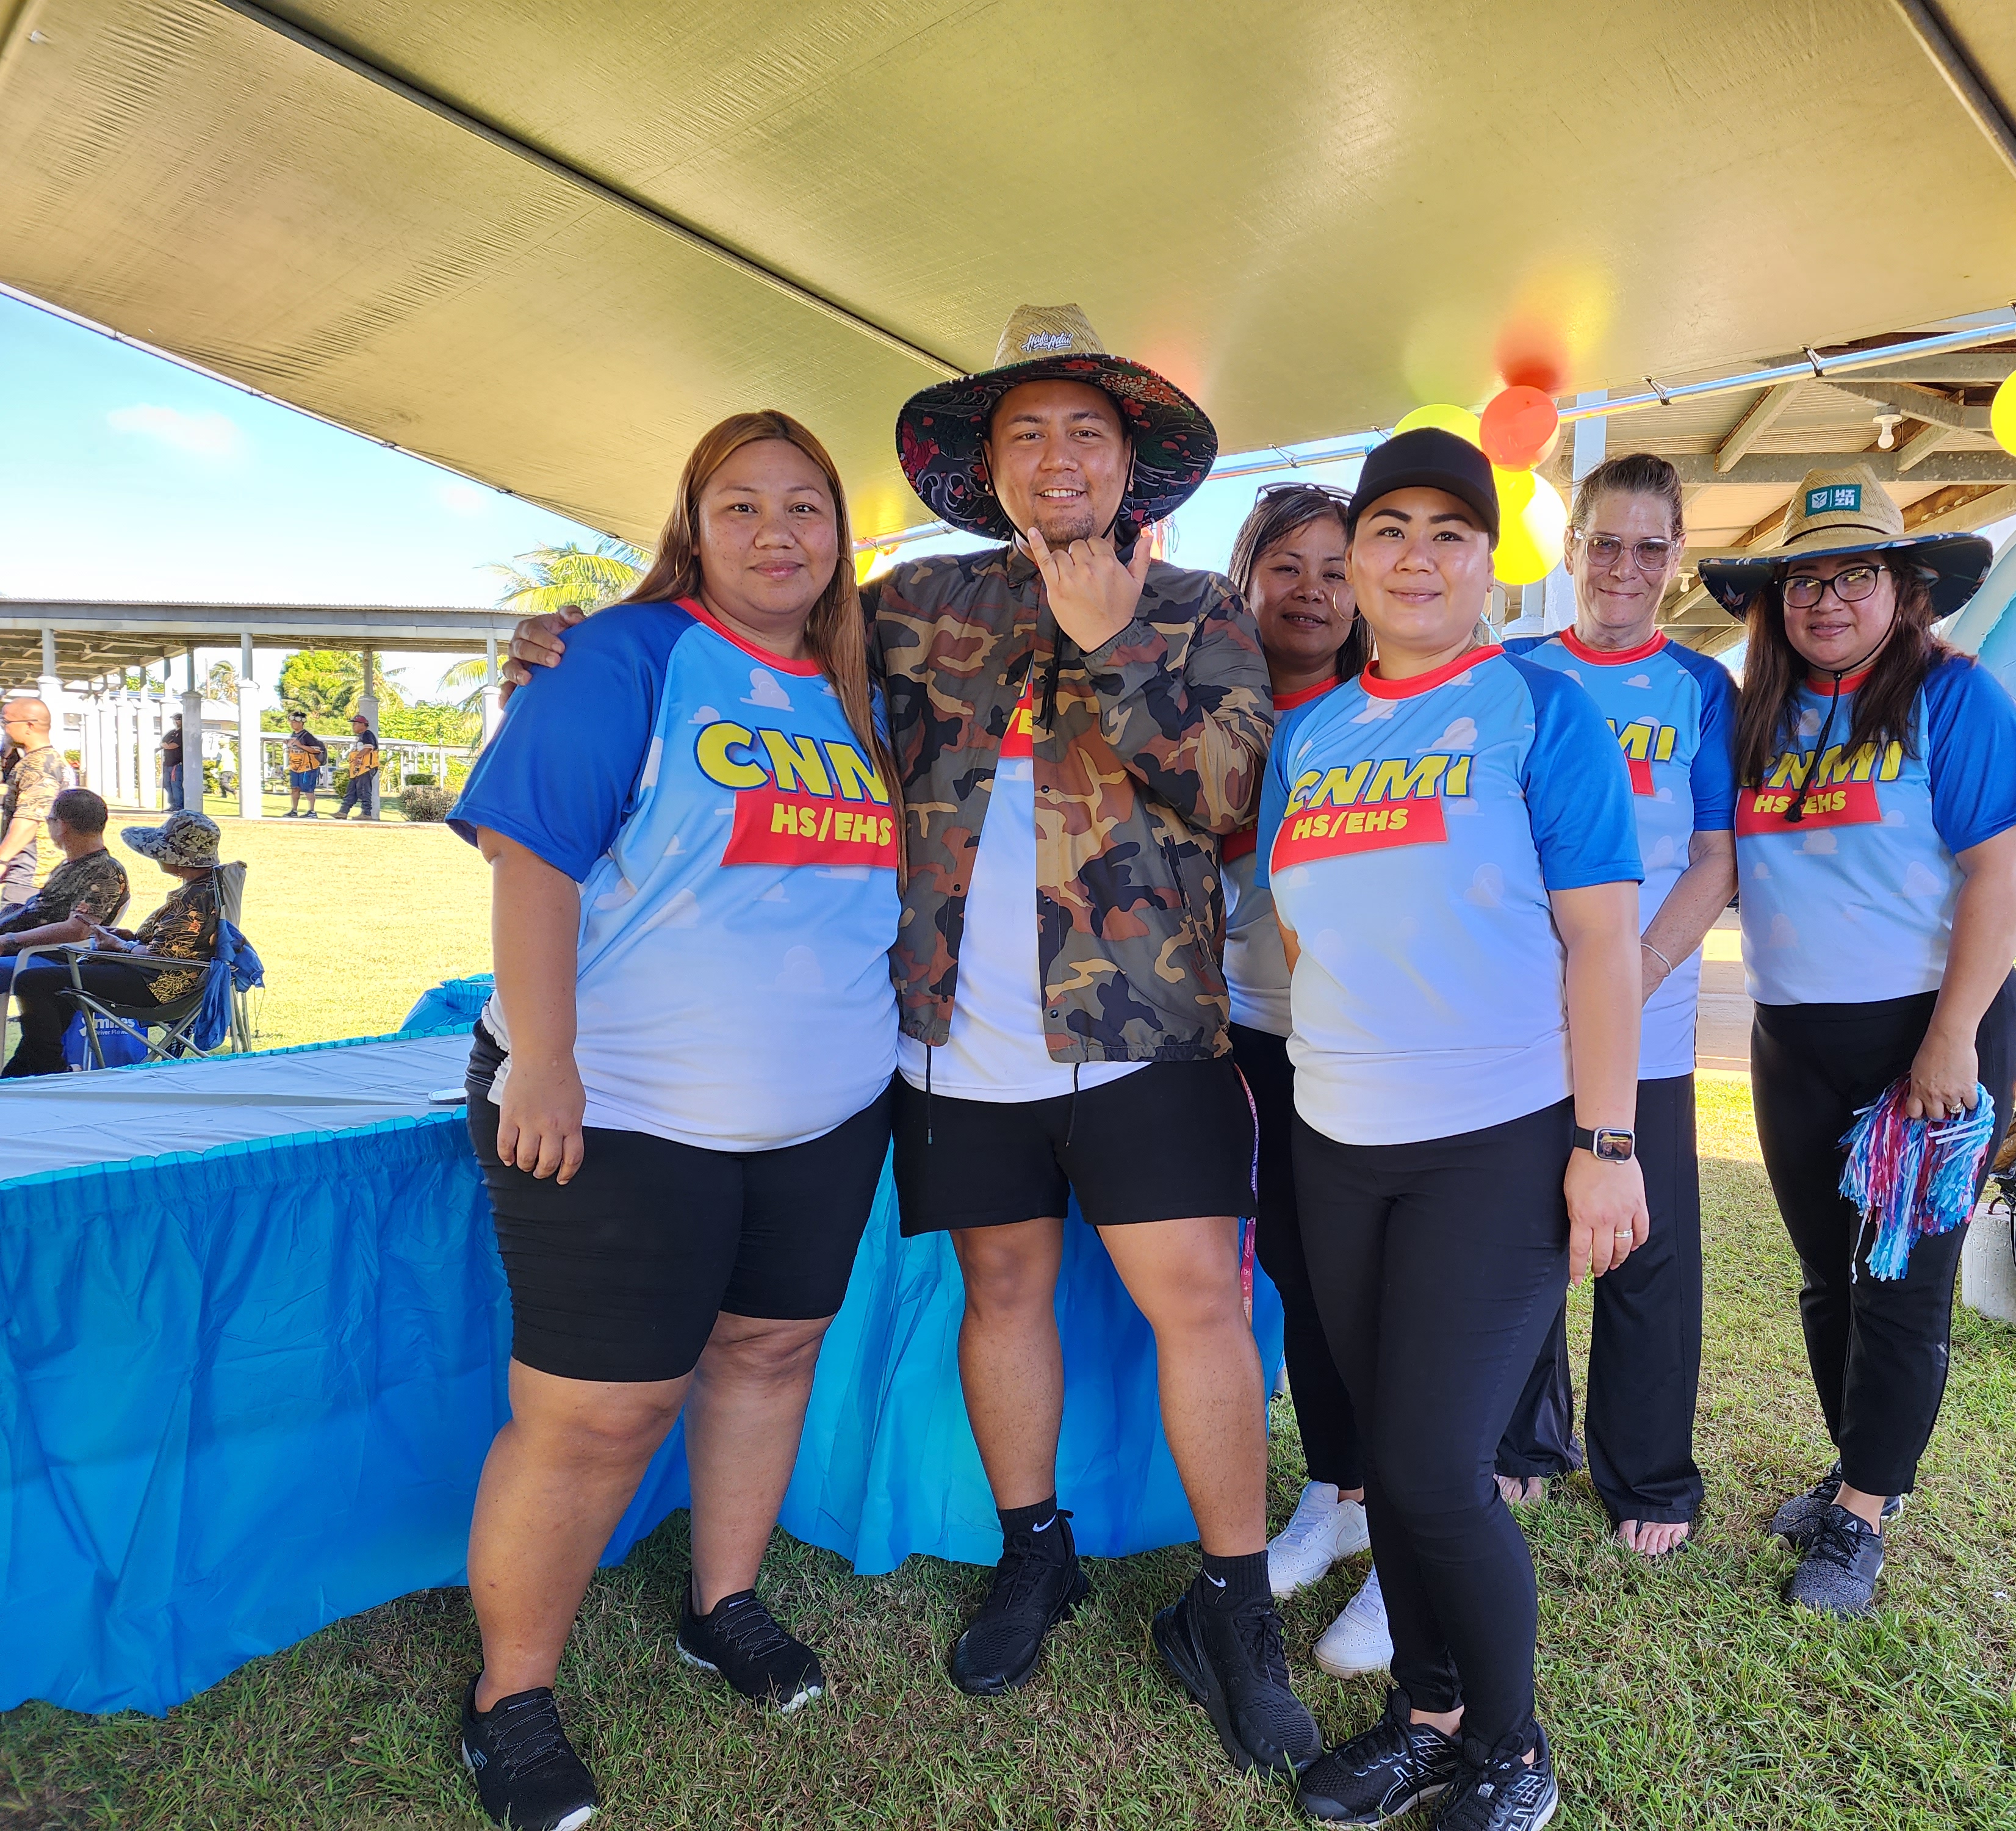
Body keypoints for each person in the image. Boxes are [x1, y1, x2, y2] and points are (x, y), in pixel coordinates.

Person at [505, 308, 1313, 1777]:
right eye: (1025, 433)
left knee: (1195, 1299)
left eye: (1084, 429)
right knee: (1001, 1289)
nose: (1055, 455)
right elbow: (742, 658)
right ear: (987, 467)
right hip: (948, 1040)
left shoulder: (1196, 605)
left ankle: (1231, 1607)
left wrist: (1110, 639)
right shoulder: (907, 601)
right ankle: (1034, 1548)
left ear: (1130, 458)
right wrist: (575, 644)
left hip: (1143, 1033)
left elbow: (1231, 794)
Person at [445, 411, 903, 1831]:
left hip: (825, 1111)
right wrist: (548, 1060)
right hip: (620, 1106)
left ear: (840, 535)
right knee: (599, 1411)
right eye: (742, 505)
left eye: (805, 507)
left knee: (767, 1352)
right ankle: (509, 1700)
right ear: (692, 527)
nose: (777, 532)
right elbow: (533, 854)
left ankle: (725, 1601)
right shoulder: (626, 656)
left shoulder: (866, 683)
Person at [1265, 428, 1647, 1831]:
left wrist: (1603, 1144)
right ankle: (1425, 1720)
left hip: (1492, 1138)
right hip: (1335, 1139)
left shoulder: (1539, 710)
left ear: (1489, 563)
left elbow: (1602, 941)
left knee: (1431, 1469)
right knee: (1380, 1443)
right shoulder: (1308, 734)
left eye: (1449, 531)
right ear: (1352, 555)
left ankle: (1511, 1747)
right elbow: (1303, 922)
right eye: (1389, 528)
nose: (1415, 554)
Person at [1700, 465, 2016, 1617]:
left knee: (1899, 1279)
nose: (1827, 600)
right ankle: (1862, 1469)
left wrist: (1952, 1040)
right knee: (1823, 1272)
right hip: (1793, 1033)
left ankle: (1860, 1516)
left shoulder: (1955, 699)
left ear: (1905, 590)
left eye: (1857, 576)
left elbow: (2004, 871)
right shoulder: (1757, 711)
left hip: (1928, 1034)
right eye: (1805, 579)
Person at [1500, 452, 1738, 1561]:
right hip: (1515, 1018)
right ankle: (1519, 1446)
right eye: (1607, 543)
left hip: (1650, 1010)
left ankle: (1646, 1471)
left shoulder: (1700, 688)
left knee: (1646, 1248)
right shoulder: (1510, 673)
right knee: (1517, 1238)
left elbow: (1714, 855)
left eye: (1651, 547)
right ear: (1570, 548)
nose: (1626, 567)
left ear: (1676, 558)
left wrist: (1636, 966)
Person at [1214, 482, 1388, 1677]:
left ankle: (1412, 1540)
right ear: (1245, 579)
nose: (1312, 590)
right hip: (1239, 1036)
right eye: (1286, 565)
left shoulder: (1392, 709)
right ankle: (1338, 1495)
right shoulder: (1198, 705)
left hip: (1369, 1045)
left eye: (1336, 567)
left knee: (1385, 1290)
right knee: (1297, 1271)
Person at [4, 807, 225, 1077]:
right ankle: (27, 1068)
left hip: (158, 985)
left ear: (179, 859)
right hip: (163, 976)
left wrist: (122, 947)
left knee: (34, 981)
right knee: (55, 983)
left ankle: (47, 1067)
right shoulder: (206, 888)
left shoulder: (195, 899)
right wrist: (128, 937)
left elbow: (164, 955)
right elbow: (176, 942)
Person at [0, 789, 130, 993]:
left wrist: (10, 940)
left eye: (49, 820)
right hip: (21, 949)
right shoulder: (72, 866)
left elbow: (77, 929)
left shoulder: (105, 871)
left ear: (61, 826)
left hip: (45, 956)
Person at [0, 696, 71, 911]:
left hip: (28, 874)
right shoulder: (49, 759)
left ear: (30, 725)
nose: (4, 729)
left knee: (8, 937)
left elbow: (29, 820)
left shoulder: (38, 766)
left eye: (6, 723)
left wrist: (2, 860)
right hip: (39, 870)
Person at [282, 713, 328, 818]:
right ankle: (294, 810)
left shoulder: (307, 736)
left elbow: (316, 750)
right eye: (292, 722)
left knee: (309, 791)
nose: (294, 724)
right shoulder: (294, 735)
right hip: (295, 767)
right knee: (295, 789)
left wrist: (300, 745)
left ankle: (312, 811)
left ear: (302, 723)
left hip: (308, 768)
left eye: (297, 722)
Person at [337, 719, 382, 821]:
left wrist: (358, 757)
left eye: (356, 724)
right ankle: (343, 812)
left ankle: (366, 813)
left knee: (364, 790)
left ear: (363, 725)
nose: (354, 726)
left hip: (365, 768)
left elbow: (369, 747)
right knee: (351, 791)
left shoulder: (367, 734)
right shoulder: (361, 737)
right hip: (358, 769)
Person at [161, 715, 186, 812]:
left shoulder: (183, 733)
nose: (176, 721)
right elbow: (163, 743)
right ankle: (172, 805)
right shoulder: (172, 732)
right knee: (167, 784)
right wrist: (166, 745)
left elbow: (175, 745)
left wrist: (168, 746)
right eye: (174, 719)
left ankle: (179, 805)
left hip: (177, 763)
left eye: (178, 719)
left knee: (175, 784)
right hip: (168, 763)